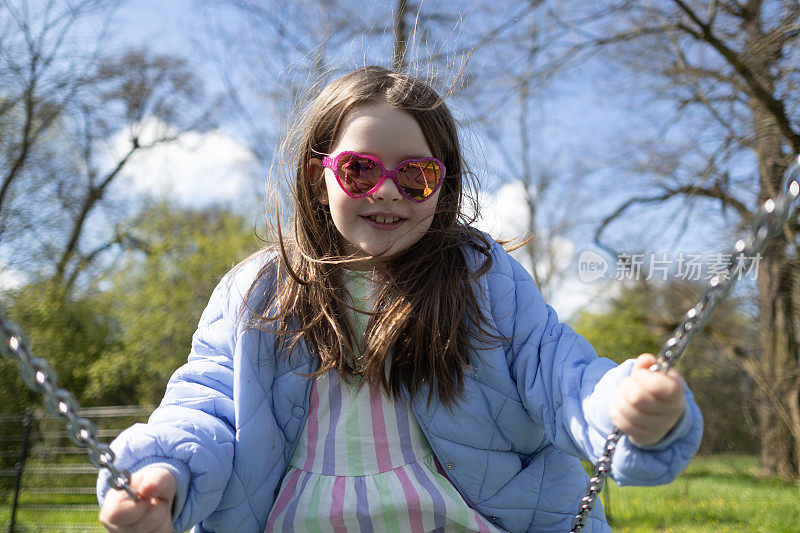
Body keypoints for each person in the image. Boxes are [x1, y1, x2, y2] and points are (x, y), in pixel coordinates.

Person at [97, 66, 702, 533]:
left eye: (415, 176)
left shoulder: (482, 281)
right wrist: (165, 473)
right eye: (360, 170)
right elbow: (206, 405)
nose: (387, 192)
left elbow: (558, 372)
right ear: (319, 175)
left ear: (443, 184)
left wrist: (624, 406)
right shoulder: (257, 293)